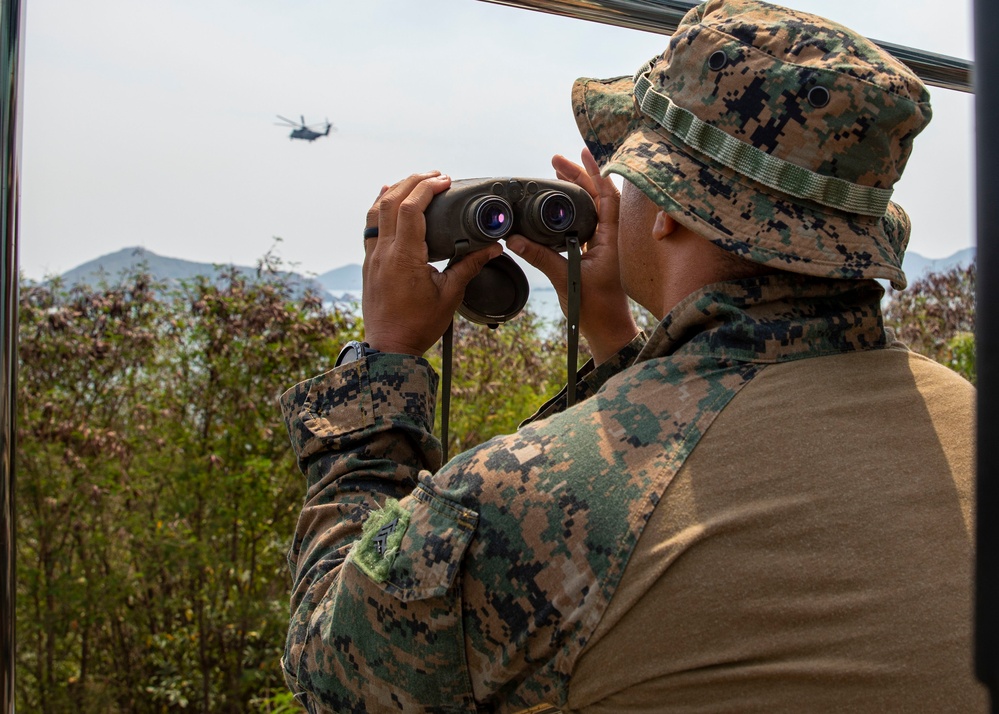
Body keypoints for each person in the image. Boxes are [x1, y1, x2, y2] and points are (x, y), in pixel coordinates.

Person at [279, 0, 985, 711]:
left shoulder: (532, 496)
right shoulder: (961, 413)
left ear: (673, 206)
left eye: (633, 167)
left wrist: (384, 363)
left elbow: (333, 671)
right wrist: (613, 333)